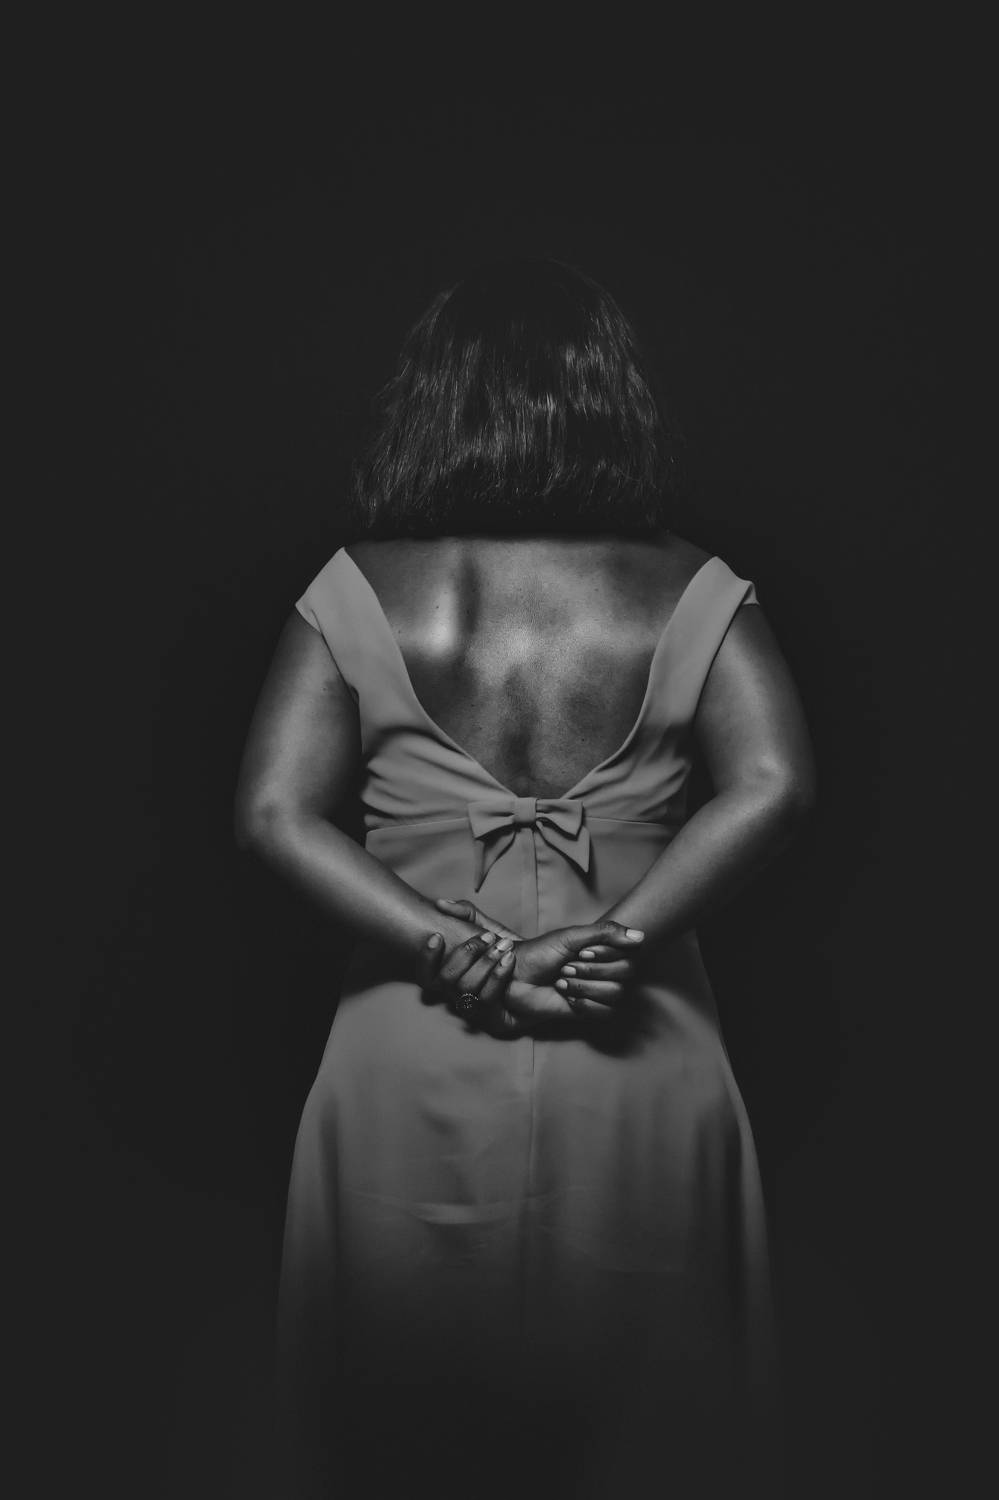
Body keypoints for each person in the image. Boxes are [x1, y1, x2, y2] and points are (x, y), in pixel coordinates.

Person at [234, 258, 816, 1498]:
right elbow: (774, 780)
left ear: (435, 404)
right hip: (635, 1033)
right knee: (654, 1431)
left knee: (401, 1433)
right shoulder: (690, 588)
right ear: (607, 402)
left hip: (410, 1038)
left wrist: (457, 948)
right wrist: (617, 939)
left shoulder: (359, 588)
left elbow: (275, 813)